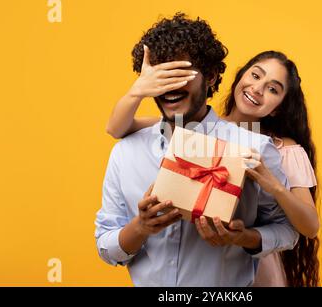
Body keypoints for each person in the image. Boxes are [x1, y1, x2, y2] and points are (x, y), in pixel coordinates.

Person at [95, 12, 299, 287]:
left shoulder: (252, 147)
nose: (171, 86)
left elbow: (287, 231)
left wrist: (243, 237)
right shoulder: (127, 151)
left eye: (181, 72)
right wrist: (140, 227)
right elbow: (105, 247)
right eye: (161, 76)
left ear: (211, 75)